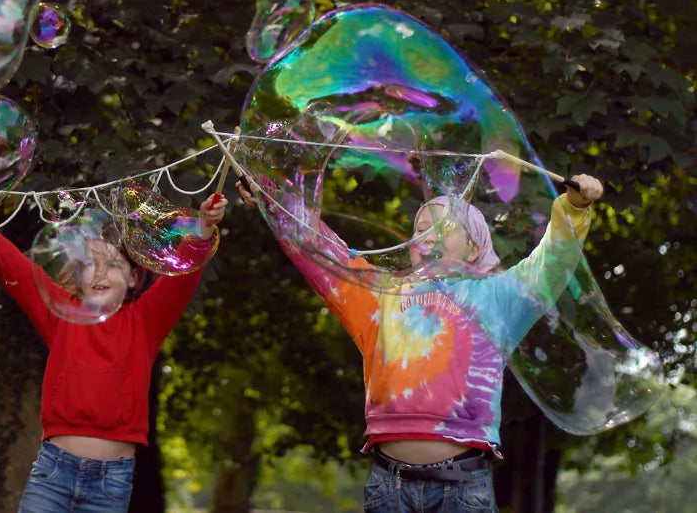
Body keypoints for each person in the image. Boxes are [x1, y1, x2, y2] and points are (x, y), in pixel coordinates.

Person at [238, 175, 604, 513]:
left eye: (443, 228)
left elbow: (550, 264)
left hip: (463, 490)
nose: (425, 235)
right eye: (419, 228)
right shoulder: (380, 297)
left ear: (474, 248)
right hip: (388, 486)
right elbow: (322, 252)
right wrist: (273, 197)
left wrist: (573, 209)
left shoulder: (497, 299)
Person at [0, 191, 228, 512]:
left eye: (113, 265)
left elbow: (182, 277)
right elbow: (15, 270)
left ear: (134, 277)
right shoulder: (60, 312)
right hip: (53, 473)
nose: (99, 274)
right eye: (90, 265)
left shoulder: (145, 322)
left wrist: (204, 227)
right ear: (79, 276)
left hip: (111, 483)